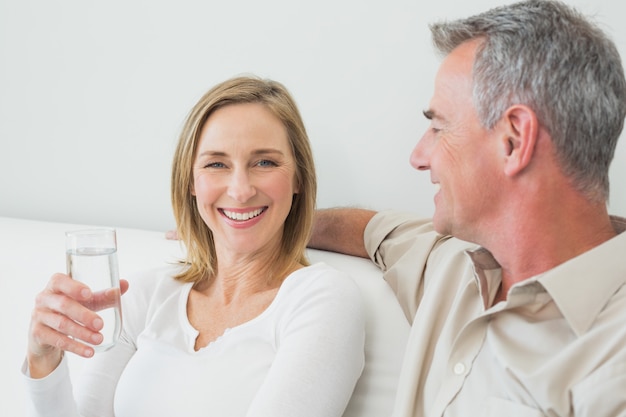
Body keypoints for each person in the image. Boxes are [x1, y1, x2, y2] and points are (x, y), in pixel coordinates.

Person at [309, 1, 626, 416]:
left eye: (439, 127)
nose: (419, 157)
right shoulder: (450, 264)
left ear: (513, 141)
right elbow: (372, 231)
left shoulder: (612, 362)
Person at [23, 76, 365, 416]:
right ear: (190, 182)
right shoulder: (146, 294)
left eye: (265, 162)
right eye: (217, 164)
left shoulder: (320, 298)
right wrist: (43, 360)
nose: (240, 189)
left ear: (299, 179)